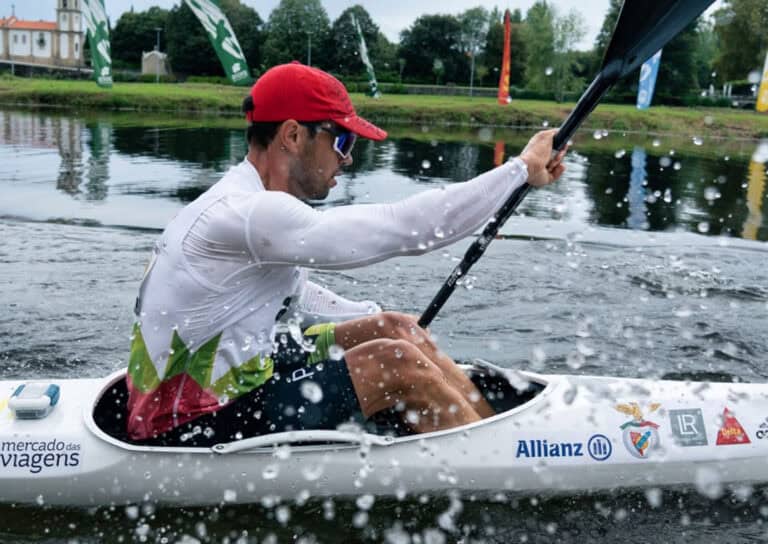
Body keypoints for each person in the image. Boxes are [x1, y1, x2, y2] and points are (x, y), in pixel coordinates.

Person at [125, 62, 567, 446]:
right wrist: (518, 171)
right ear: (294, 135)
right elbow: (400, 228)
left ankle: (488, 427)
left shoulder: (246, 205)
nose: (349, 159)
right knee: (397, 363)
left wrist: (380, 322)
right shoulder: (248, 213)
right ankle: (499, 455)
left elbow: (295, 293)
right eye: (342, 142)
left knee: (400, 332)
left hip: (242, 378)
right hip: (190, 426)